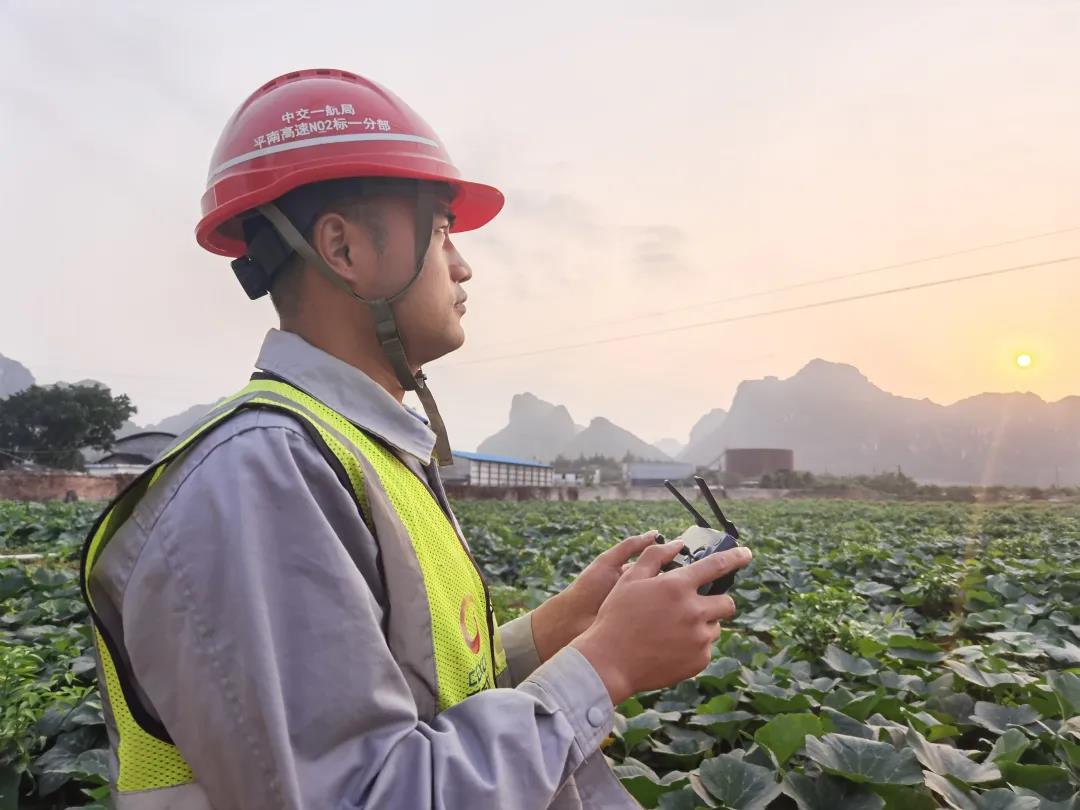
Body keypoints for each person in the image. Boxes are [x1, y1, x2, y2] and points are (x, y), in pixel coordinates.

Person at [79, 69, 752, 810]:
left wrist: (562, 627)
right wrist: (605, 666)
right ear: (342, 249)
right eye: (439, 232)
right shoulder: (258, 476)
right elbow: (362, 795)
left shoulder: (357, 450)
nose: (462, 265)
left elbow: (412, 706)